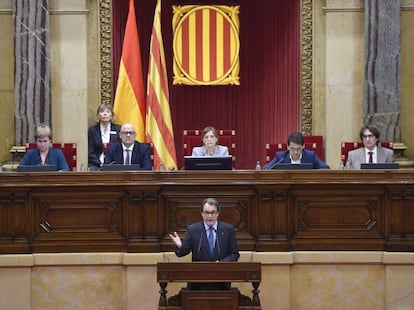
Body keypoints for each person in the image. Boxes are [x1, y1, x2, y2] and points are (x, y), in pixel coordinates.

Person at [169, 198, 240, 290]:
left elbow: (234, 254)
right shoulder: (193, 229)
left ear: (218, 213)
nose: (210, 216)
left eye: (213, 212)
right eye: (206, 212)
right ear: (202, 214)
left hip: (221, 279)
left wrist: (221, 263)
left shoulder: (228, 229)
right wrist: (180, 246)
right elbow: (183, 252)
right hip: (197, 280)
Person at [264, 131, 330, 169]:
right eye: (292, 149)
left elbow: (325, 168)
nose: (295, 152)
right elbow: (266, 168)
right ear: (288, 147)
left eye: (298, 149)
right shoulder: (281, 157)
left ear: (303, 146)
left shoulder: (311, 156)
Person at [88, 103, 121, 170]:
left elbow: (121, 149)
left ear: (112, 115)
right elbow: (90, 152)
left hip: (115, 163)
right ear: (98, 115)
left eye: (108, 112)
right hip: (96, 164)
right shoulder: (93, 130)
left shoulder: (118, 129)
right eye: (102, 111)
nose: (105, 114)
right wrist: (99, 163)